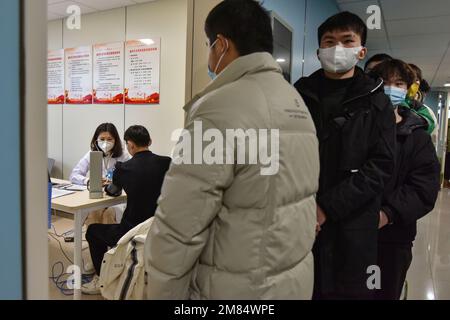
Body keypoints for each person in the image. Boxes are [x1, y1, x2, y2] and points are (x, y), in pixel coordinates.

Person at [145, 0, 319, 300]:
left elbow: (181, 223)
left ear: (221, 44)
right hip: (291, 282)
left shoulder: (218, 108)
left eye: (207, 44)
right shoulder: (296, 102)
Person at [294, 11, 396, 299]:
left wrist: (327, 207)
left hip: (353, 224)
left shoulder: (377, 102)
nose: (337, 48)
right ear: (319, 51)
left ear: (361, 51)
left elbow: (381, 167)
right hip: (301, 220)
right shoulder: (298, 95)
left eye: (347, 40)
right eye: (330, 41)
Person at [370, 59, 440, 300]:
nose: (391, 89)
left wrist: (387, 214)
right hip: (350, 233)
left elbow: (424, 188)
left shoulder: (417, 137)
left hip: (393, 239)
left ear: (410, 88)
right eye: (384, 83)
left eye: (398, 83)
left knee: (382, 292)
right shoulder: (357, 128)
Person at [82, 125, 171, 294]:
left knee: (93, 231)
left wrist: (109, 185)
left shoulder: (123, 168)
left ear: (129, 144)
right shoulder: (167, 162)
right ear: (150, 141)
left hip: (131, 231)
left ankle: (102, 279)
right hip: (158, 227)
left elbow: (113, 192)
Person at [70, 123, 131, 226]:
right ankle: (94, 241)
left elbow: (131, 178)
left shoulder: (123, 155)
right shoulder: (92, 154)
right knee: (94, 213)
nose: (105, 143)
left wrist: (116, 182)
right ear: (96, 140)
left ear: (115, 140)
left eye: (109, 139)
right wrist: (90, 181)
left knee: (109, 214)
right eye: (102, 139)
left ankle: (111, 242)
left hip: (117, 198)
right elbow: (74, 175)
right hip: (98, 196)